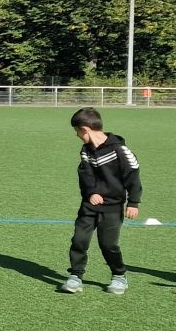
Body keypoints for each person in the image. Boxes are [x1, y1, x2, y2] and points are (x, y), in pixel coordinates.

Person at [58, 107, 142, 296]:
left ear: (85, 129)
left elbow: (133, 175)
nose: (76, 135)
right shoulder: (86, 151)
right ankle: (75, 276)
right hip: (89, 206)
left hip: (112, 207)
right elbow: (84, 175)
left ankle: (119, 275)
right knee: (79, 240)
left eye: (77, 131)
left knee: (108, 245)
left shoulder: (120, 150)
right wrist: (90, 193)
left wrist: (133, 202)